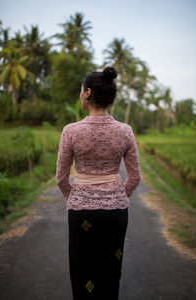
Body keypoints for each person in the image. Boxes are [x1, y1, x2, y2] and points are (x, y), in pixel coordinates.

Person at [56, 66, 141, 300]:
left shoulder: (71, 131)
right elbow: (134, 177)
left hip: (81, 212)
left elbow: (61, 178)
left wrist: (75, 197)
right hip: (116, 212)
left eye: (81, 90)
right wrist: (117, 195)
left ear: (88, 93)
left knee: (83, 271)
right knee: (111, 271)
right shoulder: (125, 131)